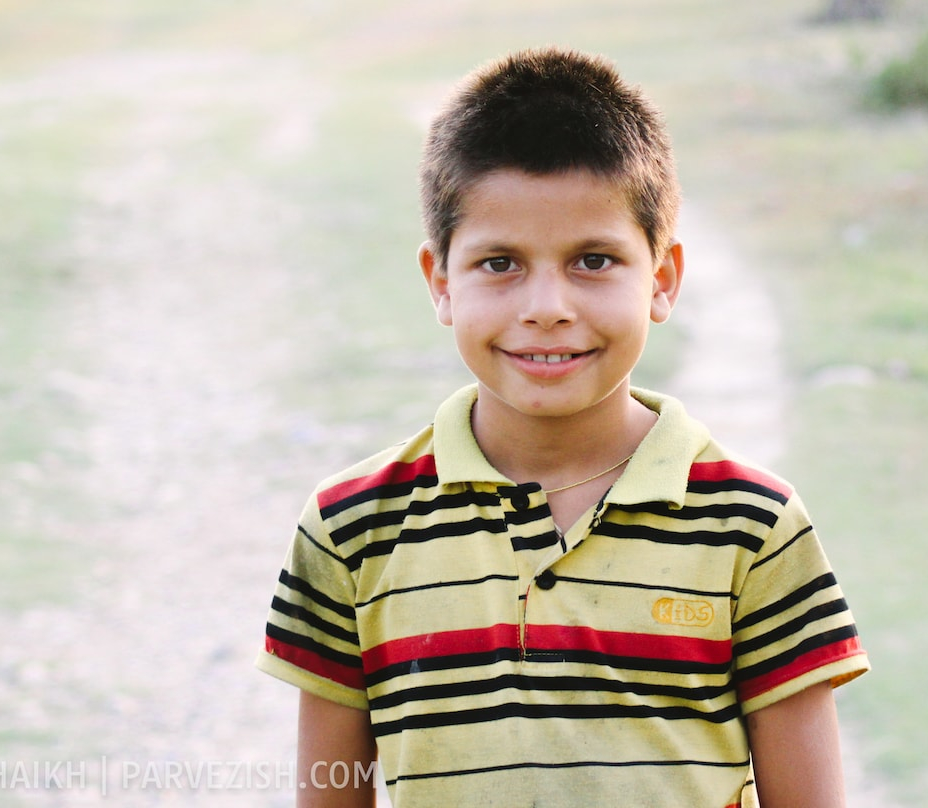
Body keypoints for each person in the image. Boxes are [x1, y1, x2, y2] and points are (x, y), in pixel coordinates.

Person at [256, 48, 870, 808]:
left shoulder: (752, 527)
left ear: (664, 278)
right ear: (440, 282)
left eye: (592, 260)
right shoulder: (350, 529)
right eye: (500, 264)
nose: (547, 305)